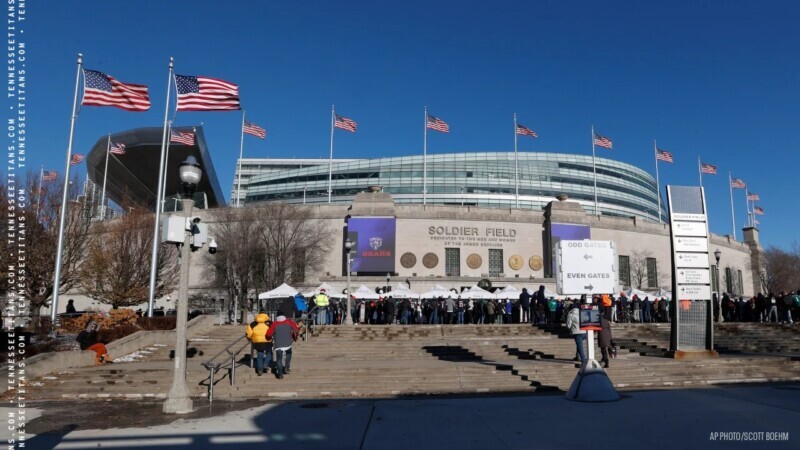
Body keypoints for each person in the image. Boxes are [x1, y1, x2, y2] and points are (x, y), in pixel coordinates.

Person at [266, 315, 301, 379]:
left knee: (279, 359)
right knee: (289, 353)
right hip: (288, 343)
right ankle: (287, 367)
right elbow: (296, 329)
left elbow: (268, 334)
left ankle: (280, 374)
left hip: (278, 344)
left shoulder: (275, 324)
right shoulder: (289, 322)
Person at [245, 311, 272, 376]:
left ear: (258, 315)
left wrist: (250, 338)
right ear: (266, 315)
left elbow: (248, 334)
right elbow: (273, 331)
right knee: (269, 352)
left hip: (257, 342)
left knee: (260, 354)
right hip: (267, 341)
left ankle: (260, 369)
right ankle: (265, 364)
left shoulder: (253, 324)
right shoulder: (269, 323)